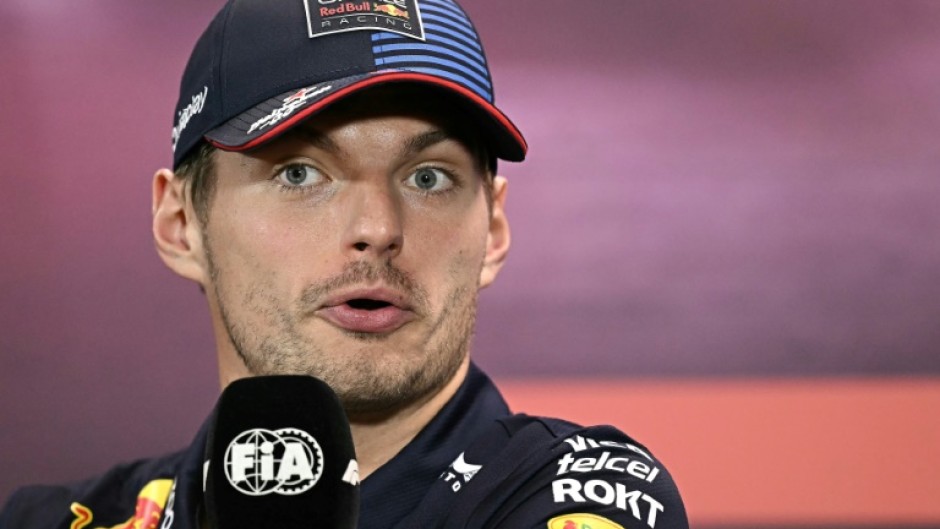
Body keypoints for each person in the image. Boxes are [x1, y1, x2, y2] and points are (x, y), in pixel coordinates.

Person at [1, 0, 688, 528]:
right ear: (181, 224)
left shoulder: (584, 496)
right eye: (300, 173)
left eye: (428, 178)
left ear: (495, 228)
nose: (377, 229)